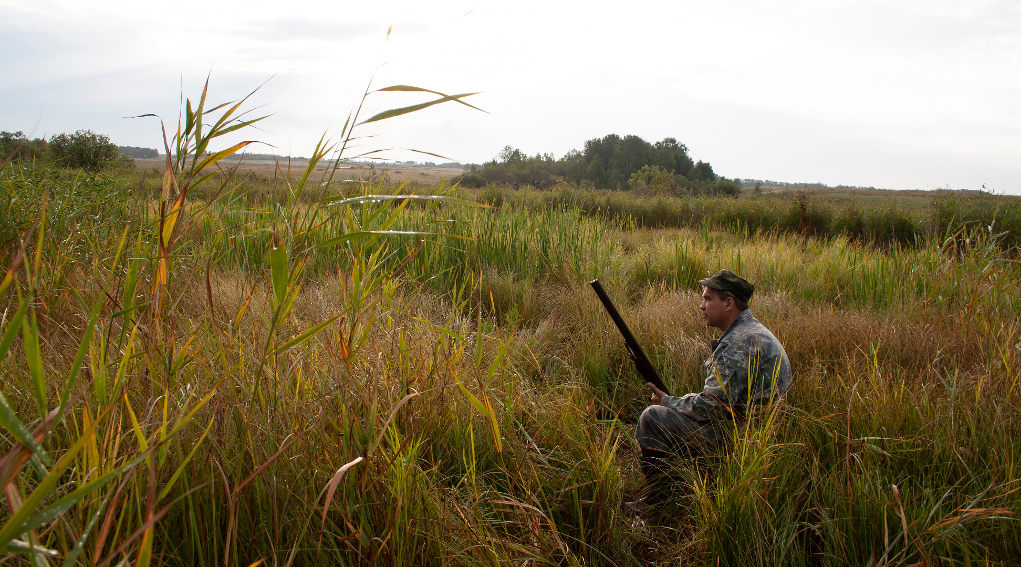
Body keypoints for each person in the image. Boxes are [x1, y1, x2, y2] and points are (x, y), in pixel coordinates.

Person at [627, 269, 792, 512]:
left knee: (652, 418)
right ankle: (690, 487)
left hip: (744, 443)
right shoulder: (754, 332)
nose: (701, 306)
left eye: (707, 299)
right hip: (764, 437)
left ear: (728, 303)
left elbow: (713, 407)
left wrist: (668, 402)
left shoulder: (737, 343)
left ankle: (661, 502)